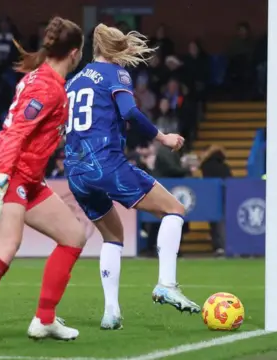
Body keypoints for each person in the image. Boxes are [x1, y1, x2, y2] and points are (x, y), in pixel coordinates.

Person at [0, 16, 86, 349]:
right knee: (6, 247)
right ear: (75, 53)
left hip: (29, 175)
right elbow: (15, 134)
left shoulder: (46, 78)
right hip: (7, 172)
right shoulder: (46, 85)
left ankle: (45, 320)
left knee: (73, 236)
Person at [64, 24, 201, 331]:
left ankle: (111, 312)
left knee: (112, 236)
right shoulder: (115, 73)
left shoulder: (73, 82)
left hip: (75, 170)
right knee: (174, 209)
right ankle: (166, 283)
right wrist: (163, 138)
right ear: (115, 51)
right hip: (105, 163)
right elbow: (129, 112)